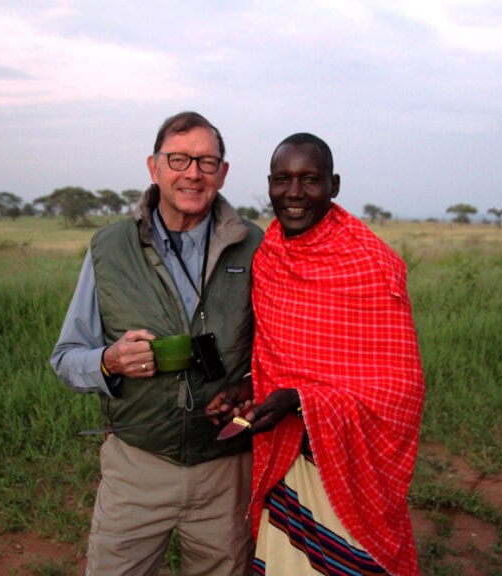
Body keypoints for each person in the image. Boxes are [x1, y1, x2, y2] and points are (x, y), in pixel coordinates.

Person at [49, 111, 263, 576]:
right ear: (154, 167)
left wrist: (248, 386)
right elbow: (66, 358)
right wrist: (108, 360)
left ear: (223, 173)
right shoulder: (109, 248)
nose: (192, 173)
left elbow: (278, 357)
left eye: (207, 162)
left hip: (225, 470)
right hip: (137, 465)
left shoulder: (256, 246)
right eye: (179, 159)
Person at [243, 133, 425, 575]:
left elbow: (402, 389)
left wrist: (302, 401)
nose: (294, 193)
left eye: (310, 180)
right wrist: (253, 387)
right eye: (282, 179)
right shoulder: (267, 254)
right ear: (268, 183)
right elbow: (271, 354)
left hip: (348, 460)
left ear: (334, 185)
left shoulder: (372, 263)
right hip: (286, 455)